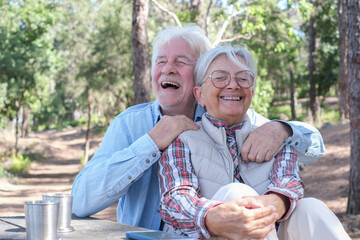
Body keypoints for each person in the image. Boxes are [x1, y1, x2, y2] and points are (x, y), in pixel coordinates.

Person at [71, 24, 325, 231]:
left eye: (181, 62)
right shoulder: (130, 123)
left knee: (310, 209)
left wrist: (283, 129)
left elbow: (315, 148)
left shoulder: (227, 112)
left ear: (202, 76)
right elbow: (80, 202)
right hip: (150, 237)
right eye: (160, 62)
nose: (168, 68)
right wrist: (151, 142)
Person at [158, 45, 350, 240]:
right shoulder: (183, 140)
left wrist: (268, 206)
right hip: (205, 235)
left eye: (243, 78)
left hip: (272, 230)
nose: (233, 85)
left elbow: (288, 185)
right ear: (199, 95)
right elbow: (175, 199)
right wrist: (213, 216)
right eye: (220, 77)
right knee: (236, 193)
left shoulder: (273, 135)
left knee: (311, 209)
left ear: (251, 90)